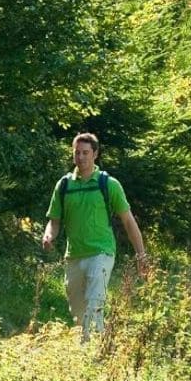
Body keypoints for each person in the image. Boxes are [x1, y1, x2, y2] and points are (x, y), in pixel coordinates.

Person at [42, 133, 149, 339]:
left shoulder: (108, 184)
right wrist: (49, 236)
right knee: (78, 311)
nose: (81, 157)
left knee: (95, 301)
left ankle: (93, 351)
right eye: (77, 153)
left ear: (95, 154)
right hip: (74, 255)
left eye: (85, 153)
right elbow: (54, 221)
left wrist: (141, 255)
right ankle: (100, 339)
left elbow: (128, 221)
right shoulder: (64, 186)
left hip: (102, 252)